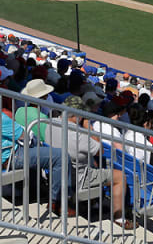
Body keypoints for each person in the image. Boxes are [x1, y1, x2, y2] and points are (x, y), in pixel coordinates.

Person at [0, 81, 73, 217]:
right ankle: (57, 203)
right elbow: (25, 136)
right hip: (9, 157)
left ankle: (35, 191)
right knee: (60, 155)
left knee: (38, 150)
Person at [45, 95, 133, 230]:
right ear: (76, 115)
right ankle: (119, 218)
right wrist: (87, 126)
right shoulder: (78, 134)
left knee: (92, 162)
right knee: (119, 176)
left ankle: (92, 203)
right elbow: (100, 150)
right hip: (79, 178)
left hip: (57, 172)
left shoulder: (50, 123)